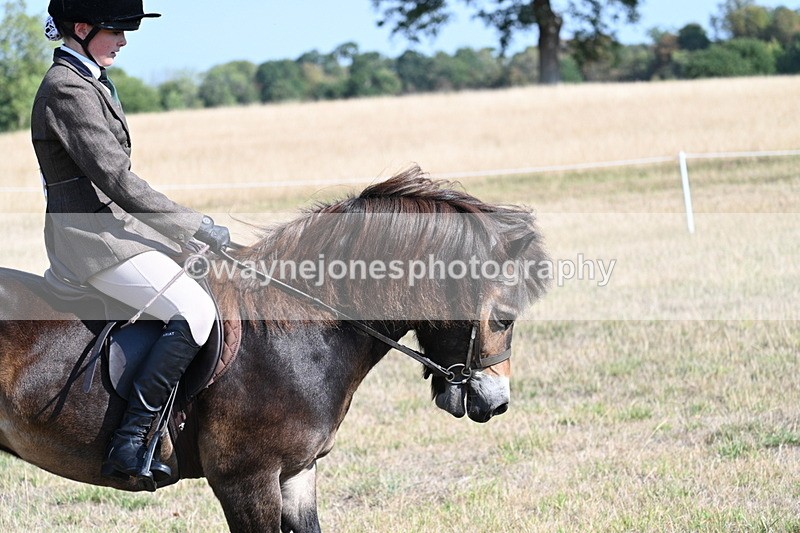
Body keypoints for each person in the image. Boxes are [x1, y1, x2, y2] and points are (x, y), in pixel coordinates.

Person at [31, 0, 230, 484]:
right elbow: (116, 179)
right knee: (193, 314)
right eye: (117, 31)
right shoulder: (66, 89)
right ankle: (131, 443)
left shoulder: (89, 80)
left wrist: (172, 236)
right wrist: (190, 225)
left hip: (115, 232)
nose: (123, 41)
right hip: (90, 242)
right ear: (81, 28)